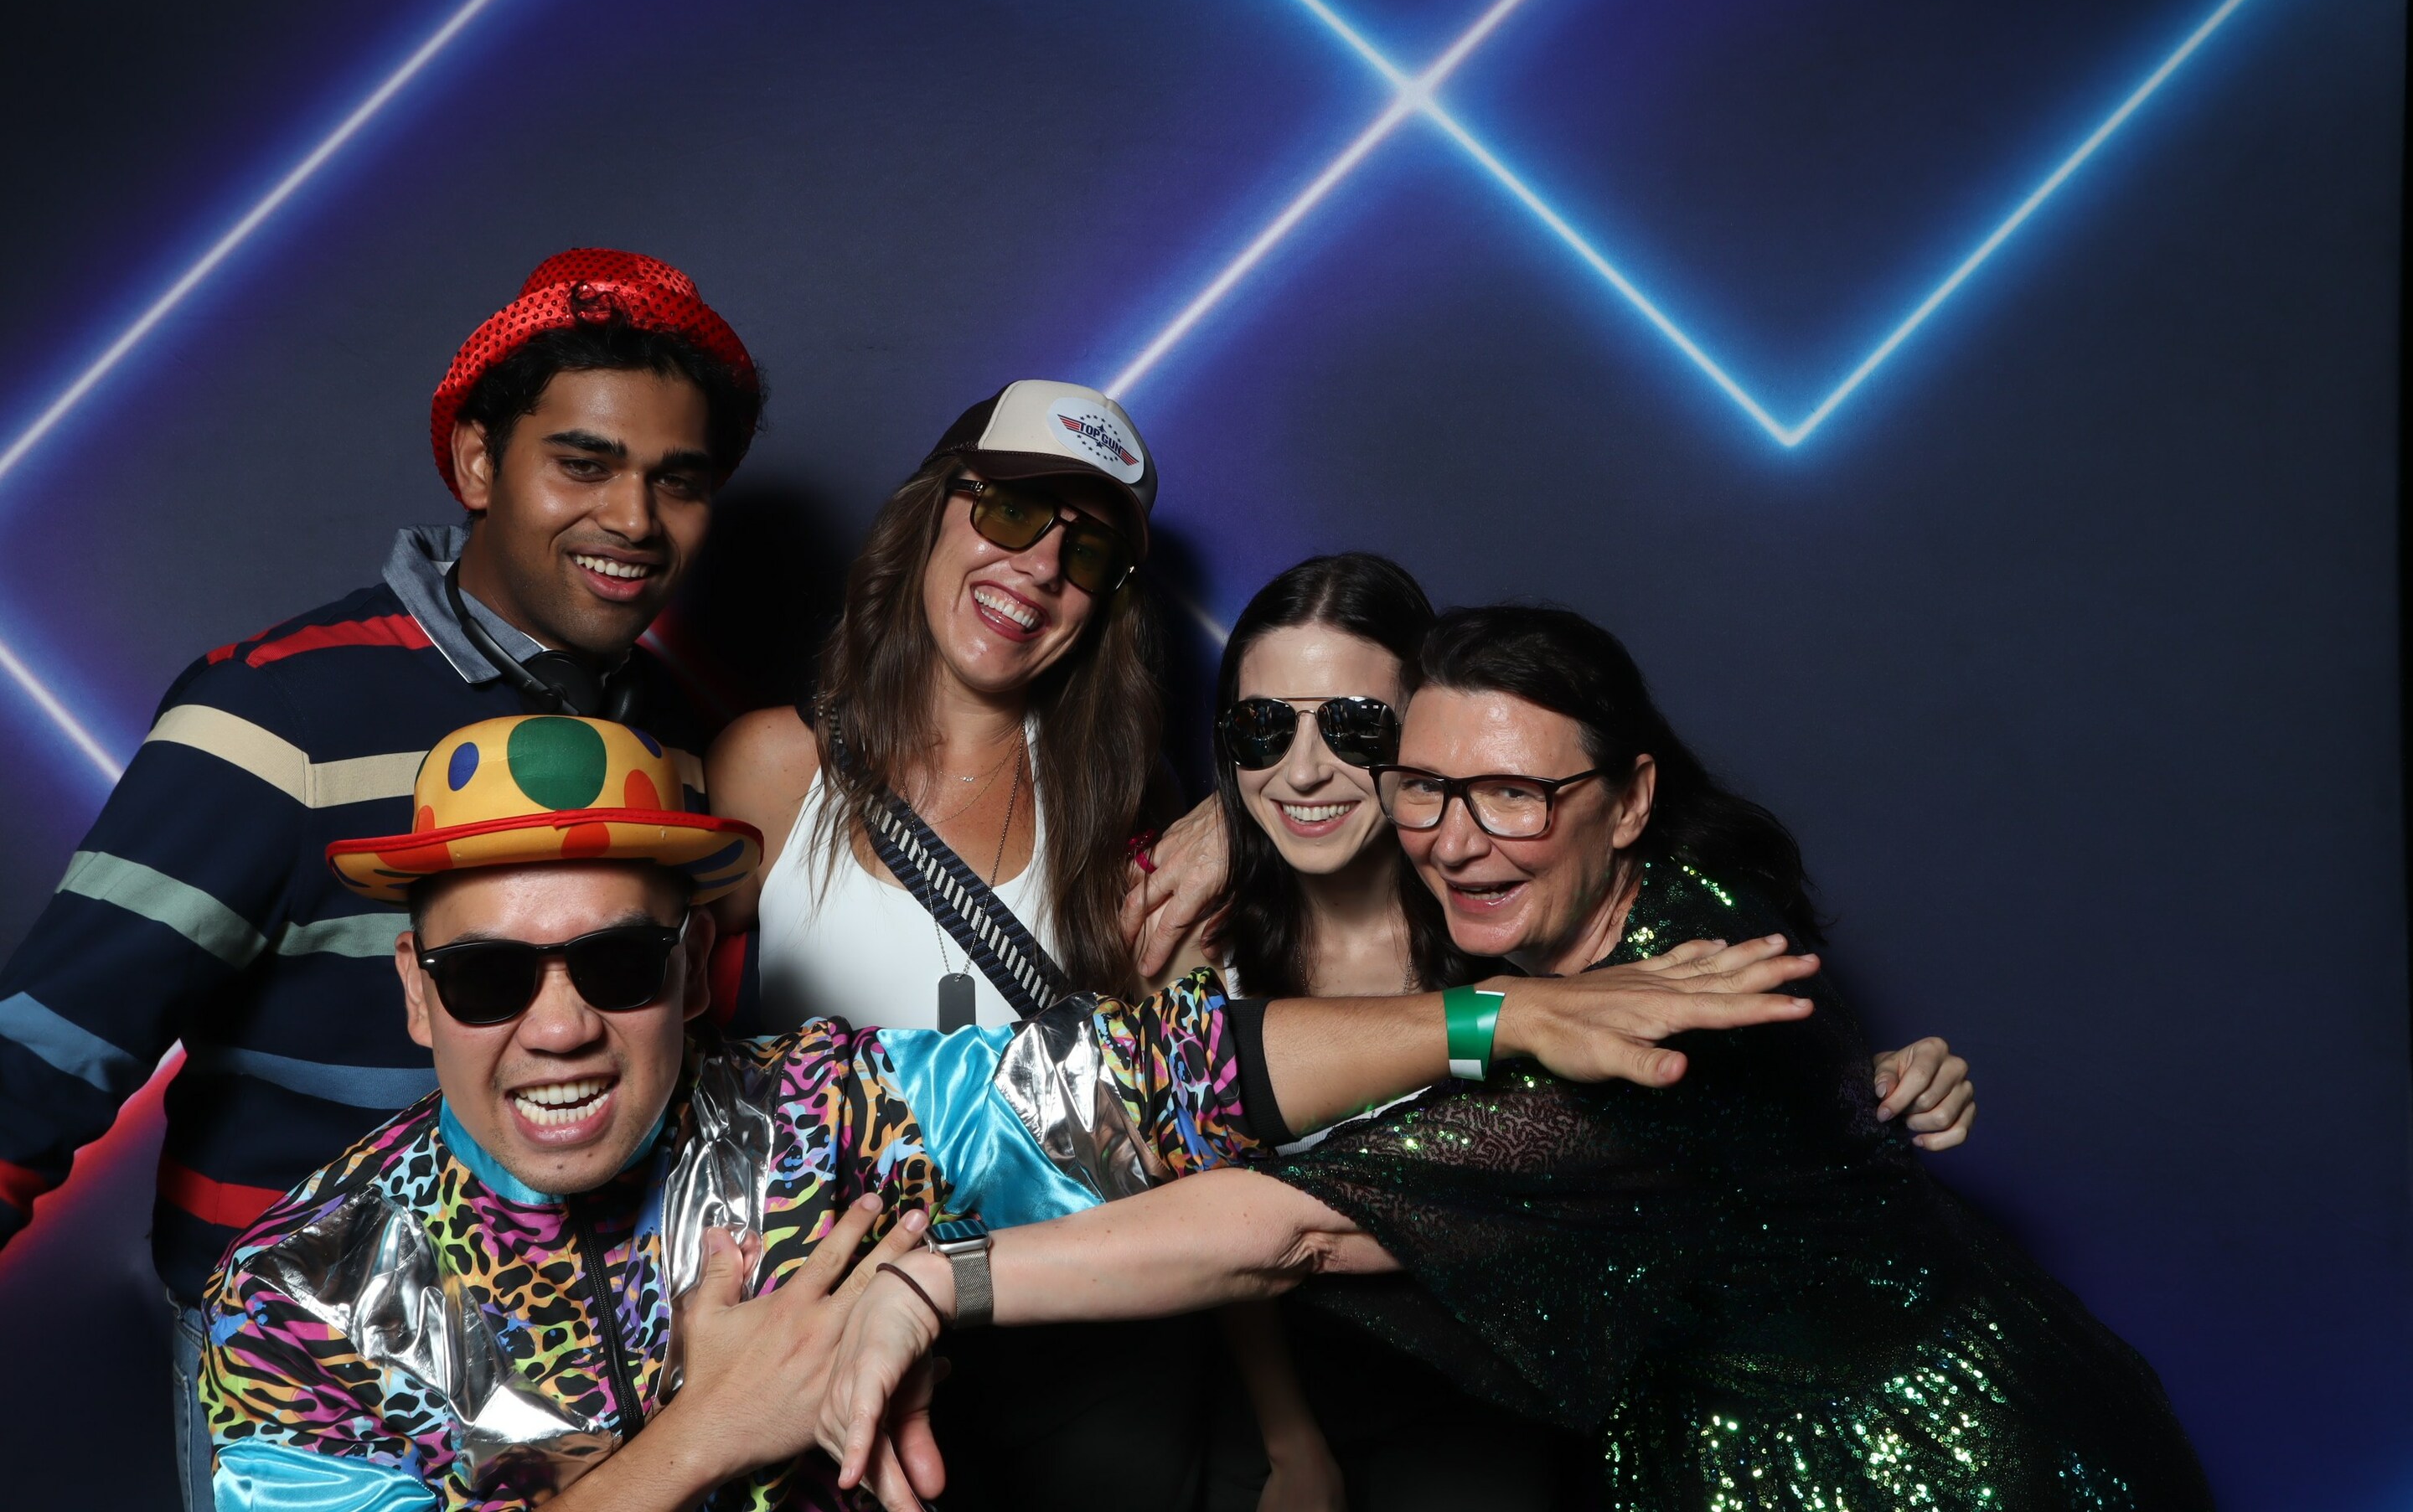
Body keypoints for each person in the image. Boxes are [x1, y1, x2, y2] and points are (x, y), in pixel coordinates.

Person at [198, 712, 1816, 1511]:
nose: (559, 1027)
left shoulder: (823, 1110)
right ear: (415, 995)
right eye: (490, 979)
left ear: (689, 972)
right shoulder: (293, 1300)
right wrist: (707, 1438)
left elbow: (1158, 1079)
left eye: (616, 962)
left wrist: (1492, 1014)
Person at [824, 603, 2210, 1509]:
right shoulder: (1668, 899)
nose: (1456, 837)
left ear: (1633, 798)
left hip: (1917, 1468)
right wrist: (1231, 818)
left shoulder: (1659, 1045)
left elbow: (1287, 1229)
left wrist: (941, 1283)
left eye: (1515, 796)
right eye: (1425, 787)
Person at [0, 248, 761, 1510]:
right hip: (310, 1379)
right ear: (477, 462)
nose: (634, 519)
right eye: (583, 463)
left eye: (678, 481)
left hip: (605, 1364)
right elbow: (35, 1060)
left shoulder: (673, 745)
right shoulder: (279, 713)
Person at [1203, 555, 1975, 1511]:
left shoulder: (1508, 912)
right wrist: (1290, 1443)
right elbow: (1212, 1203)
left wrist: (1855, 1090)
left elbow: (1699, 1101)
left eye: (1356, 727)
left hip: (1513, 1407)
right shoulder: (1198, 938)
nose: (1303, 766)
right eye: (1262, 726)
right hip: (1288, 1381)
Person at [707, 379, 1205, 1506]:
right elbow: (641, 1003)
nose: (1040, 567)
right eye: (1013, 512)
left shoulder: (1125, 798)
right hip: (832, 1346)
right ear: (933, 510)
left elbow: (1183, 1090)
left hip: (1082, 1346)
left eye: (1086, 552)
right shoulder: (774, 768)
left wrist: (1236, 828)